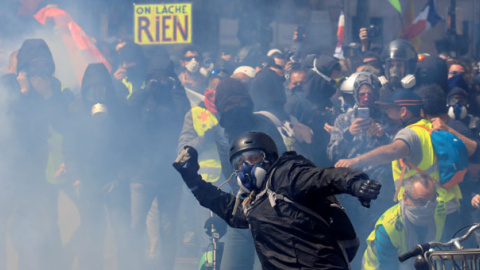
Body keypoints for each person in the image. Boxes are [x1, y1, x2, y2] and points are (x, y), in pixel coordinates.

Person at [173, 131, 381, 269]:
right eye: (240, 163)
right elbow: (230, 211)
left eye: (252, 158)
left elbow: (325, 177)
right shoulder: (254, 201)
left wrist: (355, 183)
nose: (246, 167)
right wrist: (192, 179)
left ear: (269, 158)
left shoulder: (287, 175)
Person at [335, 88, 473, 242]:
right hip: (448, 205)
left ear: (403, 111)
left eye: (389, 109)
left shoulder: (409, 133)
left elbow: (393, 151)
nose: (385, 113)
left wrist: (355, 161)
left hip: (426, 211)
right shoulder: (428, 127)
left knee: (425, 258)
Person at [362, 174, 446, 270]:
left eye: (432, 200)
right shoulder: (388, 228)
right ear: (405, 198)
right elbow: (388, 267)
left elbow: (443, 246)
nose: (428, 207)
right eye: (421, 202)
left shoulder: (440, 208)